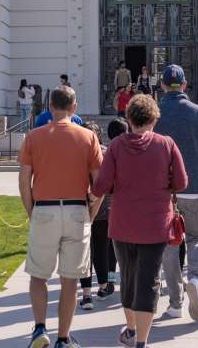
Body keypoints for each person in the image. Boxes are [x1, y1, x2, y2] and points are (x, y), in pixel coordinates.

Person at [91, 94, 186, 348]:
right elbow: (182, 182)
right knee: (149, 280)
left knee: (129, 279)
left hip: (122, 223)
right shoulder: (166, 144)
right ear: (154, 118)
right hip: (155, 225)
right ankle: (141, 340)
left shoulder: (116, 147)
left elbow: (101, 185)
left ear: (129, 118)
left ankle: (131, 330)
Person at [18, 85, 104, 348]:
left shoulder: (33, 136)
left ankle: (40, 328)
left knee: (38, 275)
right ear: (74, 107)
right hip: (78, 209)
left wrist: (32, 211)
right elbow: (99, 186)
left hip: (44, 207)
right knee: (70, 280)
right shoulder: (89, 137)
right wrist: (90, 213)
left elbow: (24, 182)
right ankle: (63, 338)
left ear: (50, 108)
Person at [154, 64, 198, 322]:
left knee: (169, 245)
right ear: (184, 86)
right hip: (195, 188)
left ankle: (175, 303)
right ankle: (195, 276)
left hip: (163, 192)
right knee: (196, 238)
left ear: (162, 86)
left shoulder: (156, 113)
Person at [79, 122, 117, 310]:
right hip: (106, 209)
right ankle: (106, 283)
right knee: (105, 250)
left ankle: (88, 293)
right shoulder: (107, 152)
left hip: (84, 207)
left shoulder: (78, 153)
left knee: (87, 251)